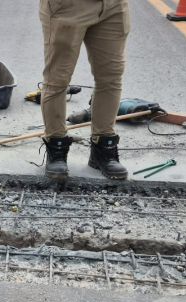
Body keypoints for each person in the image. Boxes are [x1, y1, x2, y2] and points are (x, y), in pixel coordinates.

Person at [38, 0, 131, 180]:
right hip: (68, 6)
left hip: (113, 6)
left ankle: (104, 147)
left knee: (111, 77)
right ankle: (56, 147)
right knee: (57, 79)